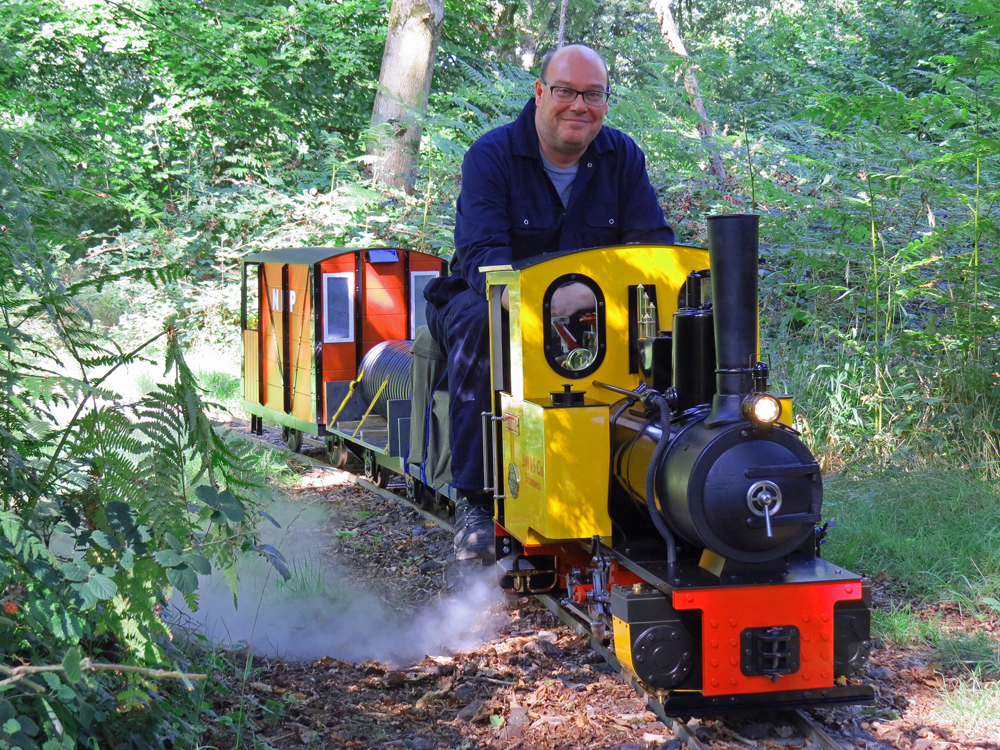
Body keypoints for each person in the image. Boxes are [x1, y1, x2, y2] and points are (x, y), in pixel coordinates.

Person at [424, 43, 675, 563]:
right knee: (480, 324)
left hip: (596, 306)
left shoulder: (622, 156)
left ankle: (648, 472)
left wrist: (601, 297)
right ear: (540, 93)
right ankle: (475, 500)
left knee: (665, 327)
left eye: (593, 95)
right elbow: (480, 257)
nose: (579, 106)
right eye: (565, 91)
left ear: (605, 102)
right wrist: (558, 294)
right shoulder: (491, 156)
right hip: (491, 298)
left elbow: (652, 245)